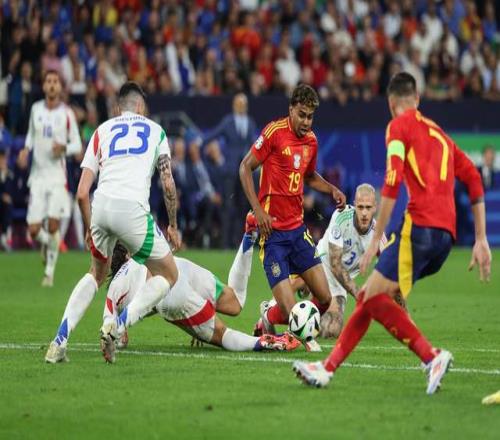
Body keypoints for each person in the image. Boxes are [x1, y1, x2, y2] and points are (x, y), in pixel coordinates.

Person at [293, 72, 491, 394]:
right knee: (371, 298)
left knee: (370, 297)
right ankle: (327, 369)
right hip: (446, 240)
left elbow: (392, 182)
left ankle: (431, 357)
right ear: (418, 99)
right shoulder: (440, 135)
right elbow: (473, 178)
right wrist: (481, 238)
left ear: (390, 103)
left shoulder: (398, 127)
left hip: (419, 229)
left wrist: (375, 240)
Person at [45, 81, 181, 364]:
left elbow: (82, 192)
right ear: (141, 107)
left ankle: (59, 341)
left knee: (96, 274)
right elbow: (168, 183)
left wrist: (88, 227)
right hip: (133, 211)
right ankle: (117, 326)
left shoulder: (101, 131)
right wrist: (173, 225)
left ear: (119, 108)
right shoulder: (156, 131)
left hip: (101, 207)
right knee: (169, 274)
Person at [239, 83, 346, 348]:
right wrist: (258, 210)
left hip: (298, 232)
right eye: (301, 115)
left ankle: (277, 319)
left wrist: (331, 189)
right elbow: (245, 167)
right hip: (272, 235)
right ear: (291, 110)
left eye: (310, 116)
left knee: (325, 299)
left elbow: (308, 176)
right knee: (289, 313)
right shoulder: (274, 132)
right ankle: (272, 315)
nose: (306, 122)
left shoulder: (311, 141)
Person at [103, 231, 300, 358]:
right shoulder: (140, 245)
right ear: (128, 253)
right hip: (179, 267)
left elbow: (117, 337)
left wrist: (120, 334)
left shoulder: (115, 289)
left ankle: (267, 342)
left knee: (222, 335)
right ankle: (249, 236)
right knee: (235, 303)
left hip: (170, 295)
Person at [257, 184, 402, 340]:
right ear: (354, 205)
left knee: (330, 330)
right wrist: (359, 294)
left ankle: (304, 319)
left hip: (340, 284)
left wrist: (403, 315)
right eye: (360, 207)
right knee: (294, 291)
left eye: (368, 208)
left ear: (375, 208)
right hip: (319, 263)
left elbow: (391, 273)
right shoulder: (341, 217)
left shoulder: (378, 236)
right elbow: (335, 265)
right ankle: (270, 310)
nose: (364, 213)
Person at [17, 70, 82, 286]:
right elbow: (30, 135)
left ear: (60, 87)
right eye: (48, 81)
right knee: (34, 230)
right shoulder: (35, 109)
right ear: (44, 86)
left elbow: (77, 145)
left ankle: (49, 273)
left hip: (57, 177)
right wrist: (25, 150)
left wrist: (64, 148)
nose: (52, 85)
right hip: (37, 176)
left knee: (53, 225)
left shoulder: (67, 113)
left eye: (55, 81)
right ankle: (47, 243)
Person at [203, 93, 257, 248]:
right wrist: (201, 142)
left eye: (243, 104)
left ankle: (239, 241)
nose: (241, 106)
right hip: (230, 171)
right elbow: (214, 134)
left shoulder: (250, 122)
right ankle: (225, 243)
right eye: (239, 103)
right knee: (227, 206)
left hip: (245, 171)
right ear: (234, 105)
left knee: (243, 207)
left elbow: (254, 144)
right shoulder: (228, 121)